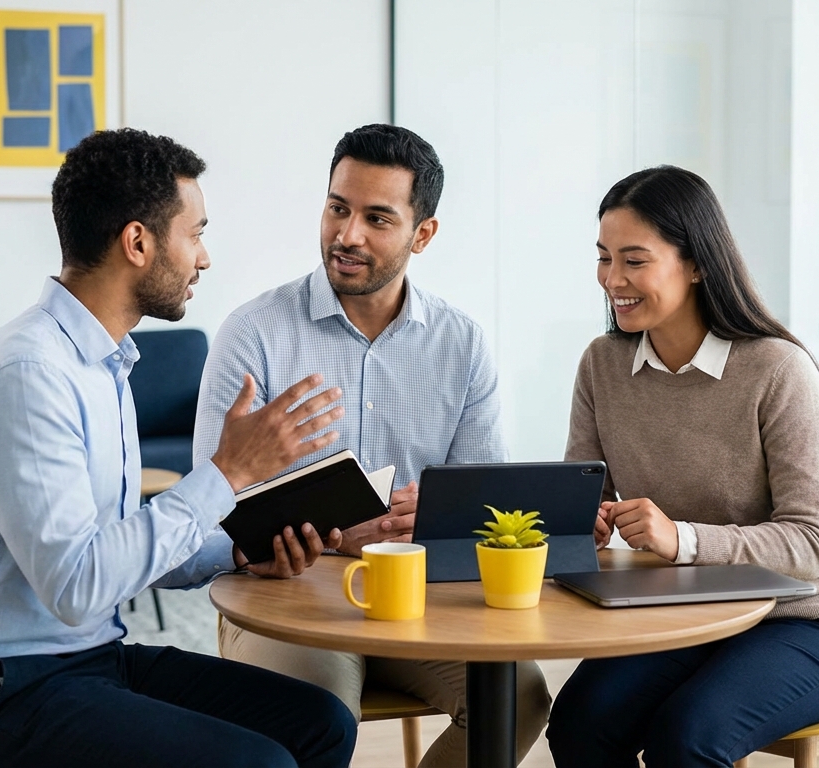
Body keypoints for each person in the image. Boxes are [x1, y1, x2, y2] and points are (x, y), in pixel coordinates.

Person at [0, 128, 358, 768]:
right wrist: (226, 475)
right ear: (138, 243)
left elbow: (117, 546)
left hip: (86, 663)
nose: (204, 258)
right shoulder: (28, 375)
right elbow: (79, 585)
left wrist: (246, 548)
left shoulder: (103, 363)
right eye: (195, 234)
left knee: (320, 724)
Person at [192, 124, 551, 767]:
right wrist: (325, 533)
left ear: (423, 235)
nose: (346, 234)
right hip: (289, 591)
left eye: (376, 218)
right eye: (337, 208)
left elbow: (485, 511)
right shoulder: (253, 334)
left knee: (520, 699)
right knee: (317, 719)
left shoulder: (462, 345)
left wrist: (440, 521)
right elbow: (207, 505)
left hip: (420, 593)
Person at [545, 166, 819, 767]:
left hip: (802, 622)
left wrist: (681, 539)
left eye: (634, 261)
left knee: (687, 739)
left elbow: (812, 542)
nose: (612, 280)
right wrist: (579, 521)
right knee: (580, 725)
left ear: (695, 263)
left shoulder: (778, 369)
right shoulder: (602, 364)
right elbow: (582, 491)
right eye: (603, 258)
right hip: (678, 615)